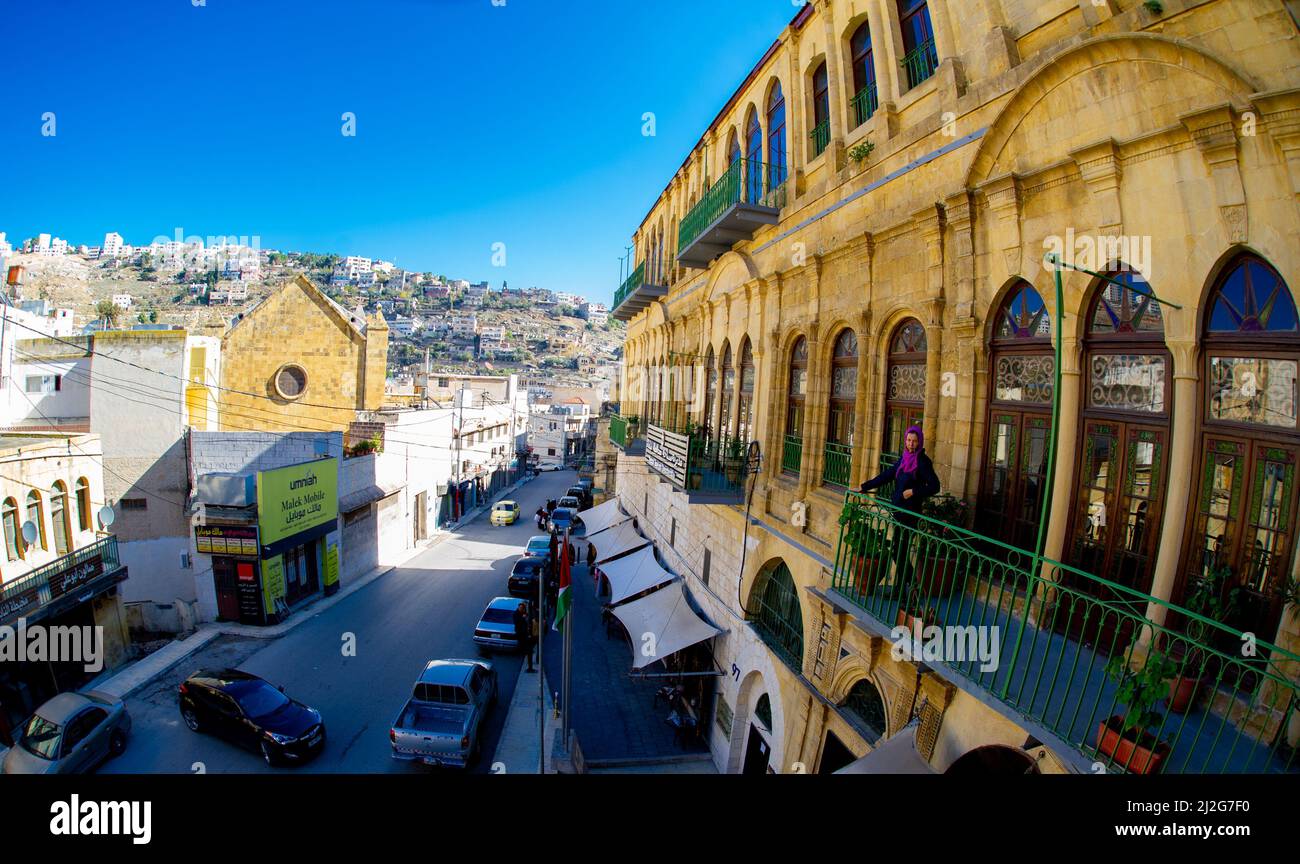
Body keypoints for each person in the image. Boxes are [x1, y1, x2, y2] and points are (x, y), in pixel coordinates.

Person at [859, 425, 940, 600]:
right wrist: (864, 487)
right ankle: (909, 586)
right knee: (898, 551)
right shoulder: (904, 459)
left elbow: (935, 486)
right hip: (899, 512)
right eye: (909, 440)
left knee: (899, 551)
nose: (911, 444)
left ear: (920, 442)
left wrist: (914, 491)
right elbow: (886, 475)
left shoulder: (923, 462)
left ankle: (902, 590)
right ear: (905, 440)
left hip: (910, 513)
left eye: (915, 441)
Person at [514, 601, 535, 672]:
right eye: (520, 607)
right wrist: (523, 618)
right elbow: (517, 622)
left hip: (525, 633)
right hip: (521, 633)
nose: (521, 609)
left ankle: (527, 653)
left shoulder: (524, 613)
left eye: (522, 608)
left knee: (527, 646)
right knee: (523, 645)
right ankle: (524, 653)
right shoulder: (516, 614)